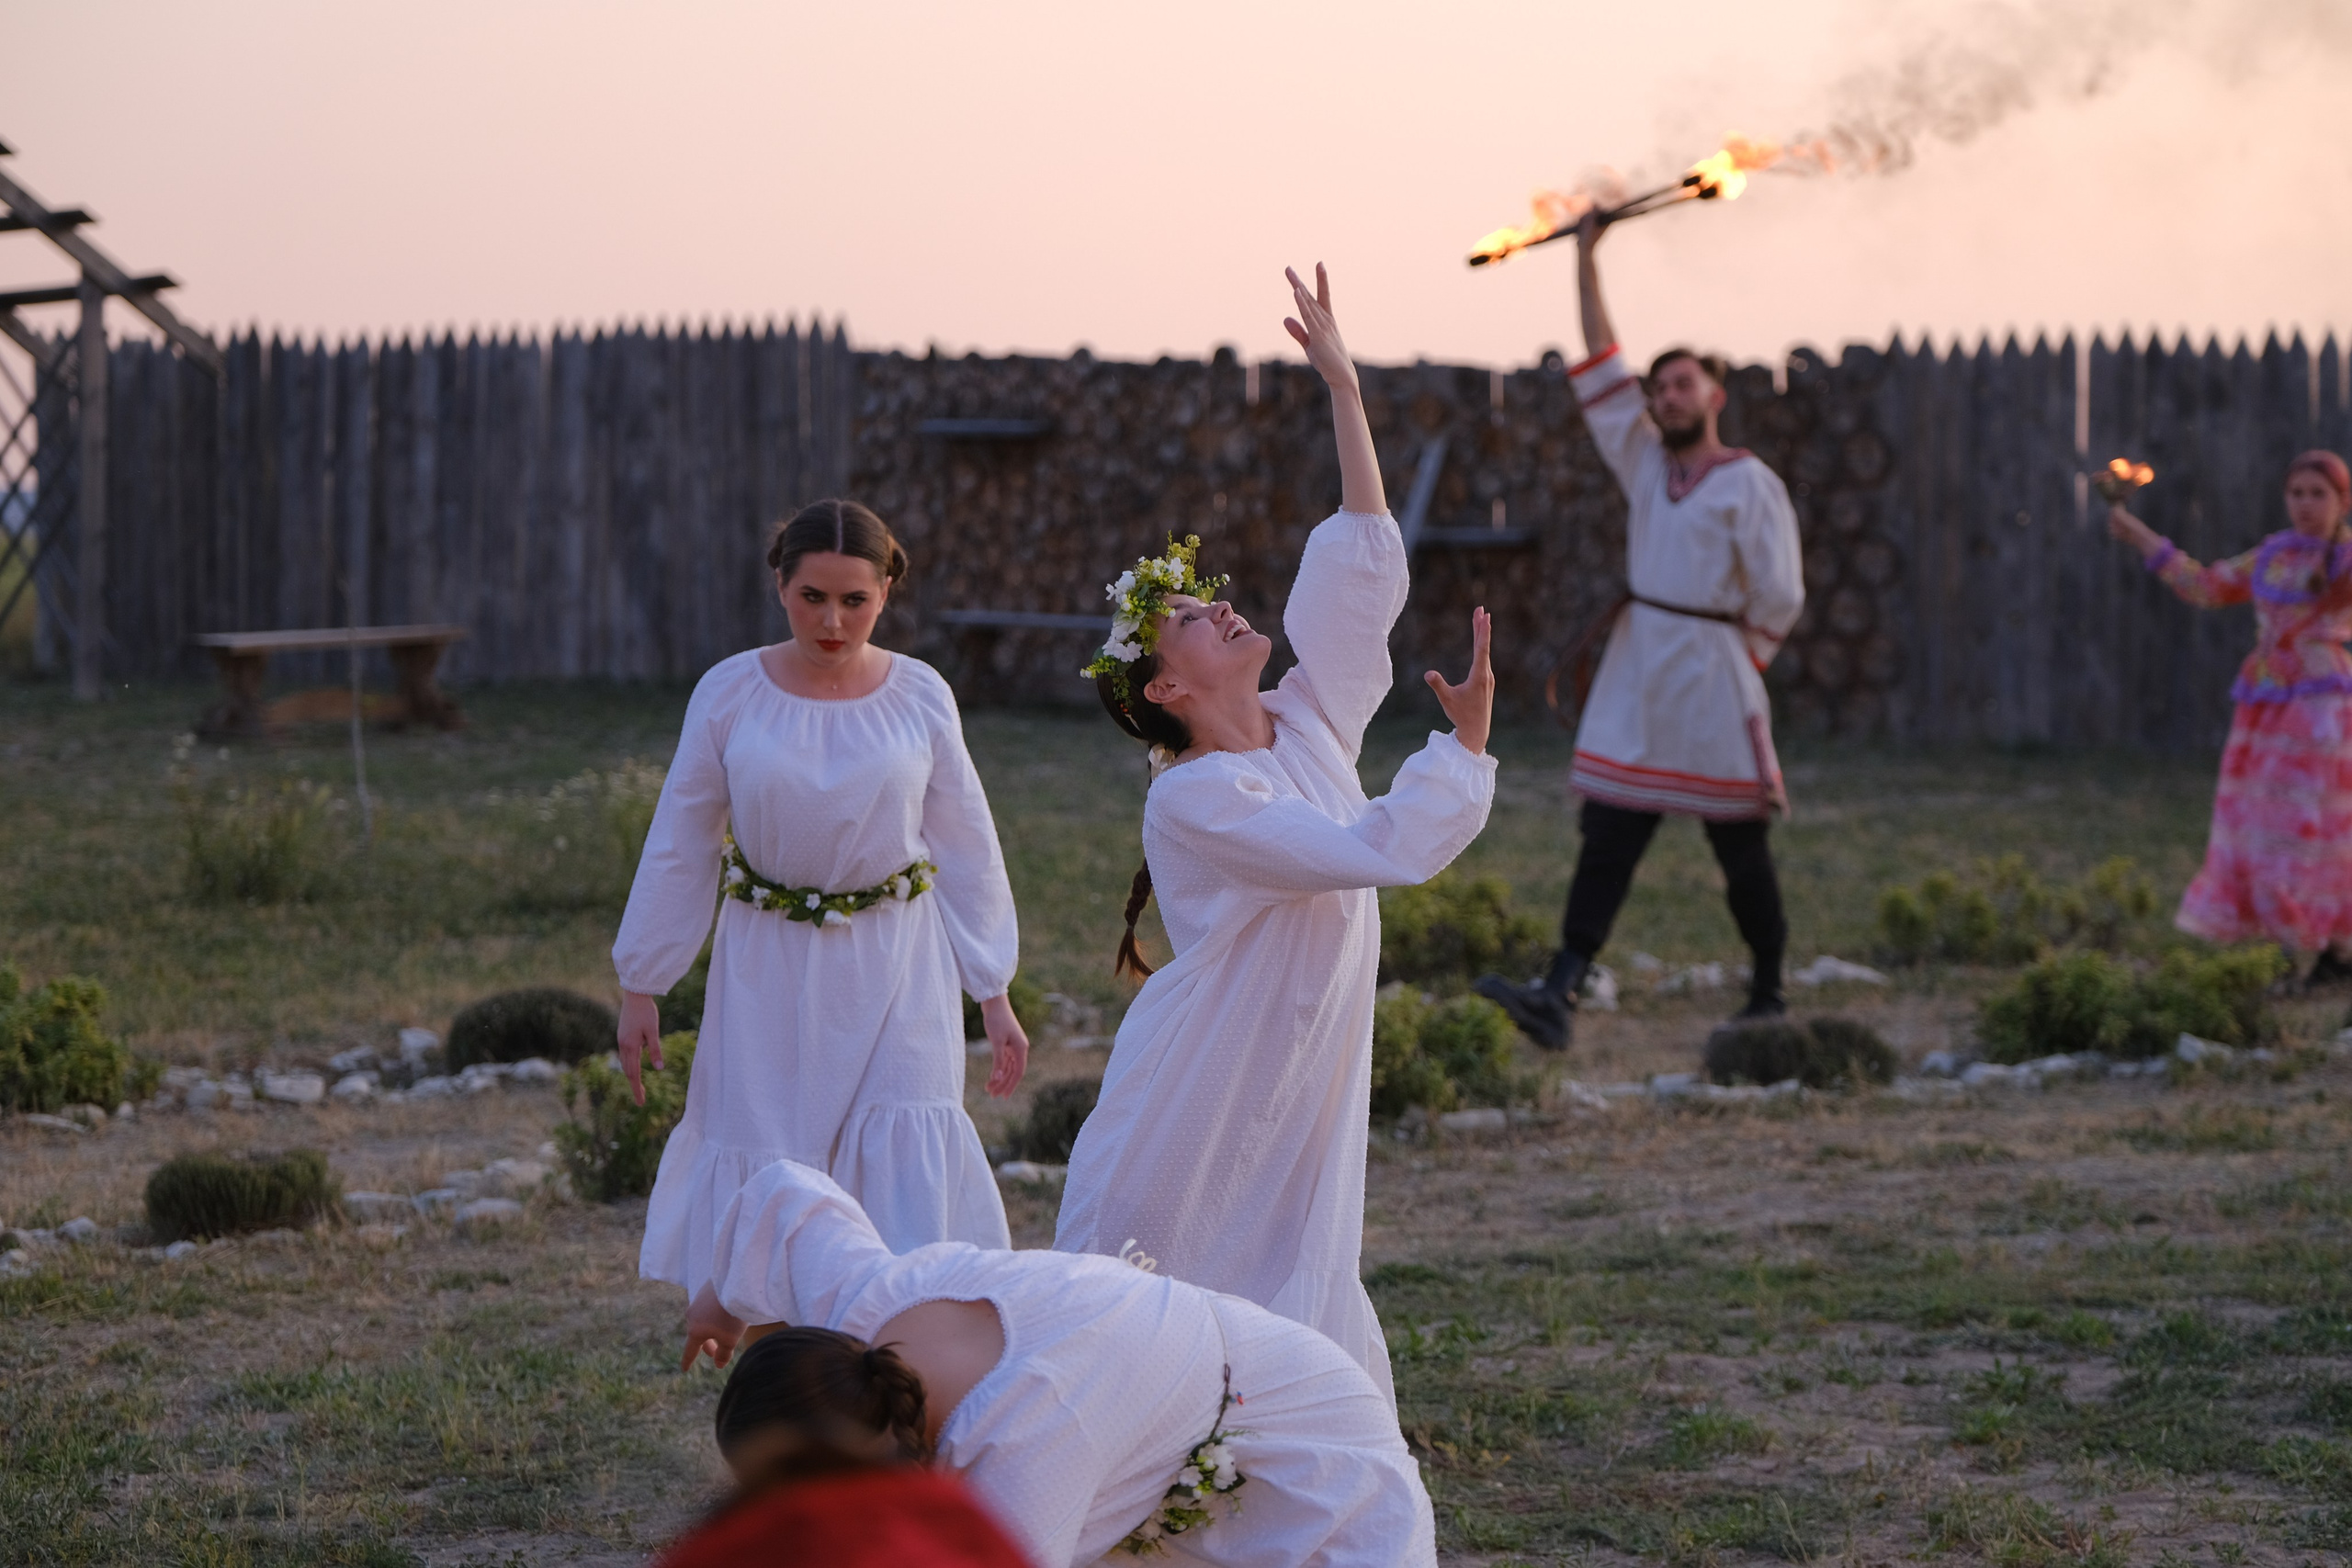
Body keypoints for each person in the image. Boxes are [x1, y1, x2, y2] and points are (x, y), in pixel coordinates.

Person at [1051, 264, 1498, 1405]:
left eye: (1212, 598)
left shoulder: (1305, 725)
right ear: (1162, 690)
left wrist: (1345, 393)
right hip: (1211, 1079)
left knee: (1293, 1291)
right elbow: (1370, 852)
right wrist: (1459, 755)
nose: (1221, 606)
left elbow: (1353, 582)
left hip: (1300, 1071)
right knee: (1161, 1293)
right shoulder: (1193, 797)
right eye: (1193, 620)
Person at [613, 498, 1031, 1350]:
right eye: (812, 597)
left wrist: (992, 988)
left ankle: (904, 1364)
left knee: (903, 1148)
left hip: (898, 965)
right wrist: (642, 980)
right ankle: (779, 1368)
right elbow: (681, 837)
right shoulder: (730, 691)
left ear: (886, 591)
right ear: (779, 585)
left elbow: (966, 840)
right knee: (775, 1156)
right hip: (767, 967)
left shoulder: (920, 694)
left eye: (854, 599)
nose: (832, 621)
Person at [691, 1158, 1439, 1568]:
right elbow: (786, 1199)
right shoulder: (861, 1310)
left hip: (1301, 1455)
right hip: (1148, 1420)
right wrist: (720, 1304)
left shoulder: (1031, 1442)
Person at [1476, 208, 1805, 1050]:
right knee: (1609, 836)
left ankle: (1769, 988)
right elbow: (1599, 368)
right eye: (1660, 389)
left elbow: (1780, 595)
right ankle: (1560, 990)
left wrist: (1740, 663)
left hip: (1712, 672)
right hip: (1641, 669)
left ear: (1715, 394)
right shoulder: (1645, 463)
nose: (1667, 396)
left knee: (1739, 845)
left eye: (1683, 384)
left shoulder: (1748, 483)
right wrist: (1586, 255)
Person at [2106, 449, 2352, 976]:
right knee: (2259, 824)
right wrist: (2140, 536)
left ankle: (2326, 949)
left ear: (2342, 502)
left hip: (2321, 710)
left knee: (2315, 824)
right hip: (2264, 708)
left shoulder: (2345, 557)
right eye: (2297, 494)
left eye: (2319, 494)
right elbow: (2206, 585)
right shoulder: (2272, 555)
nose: (2306, 505)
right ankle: (2291, 945)